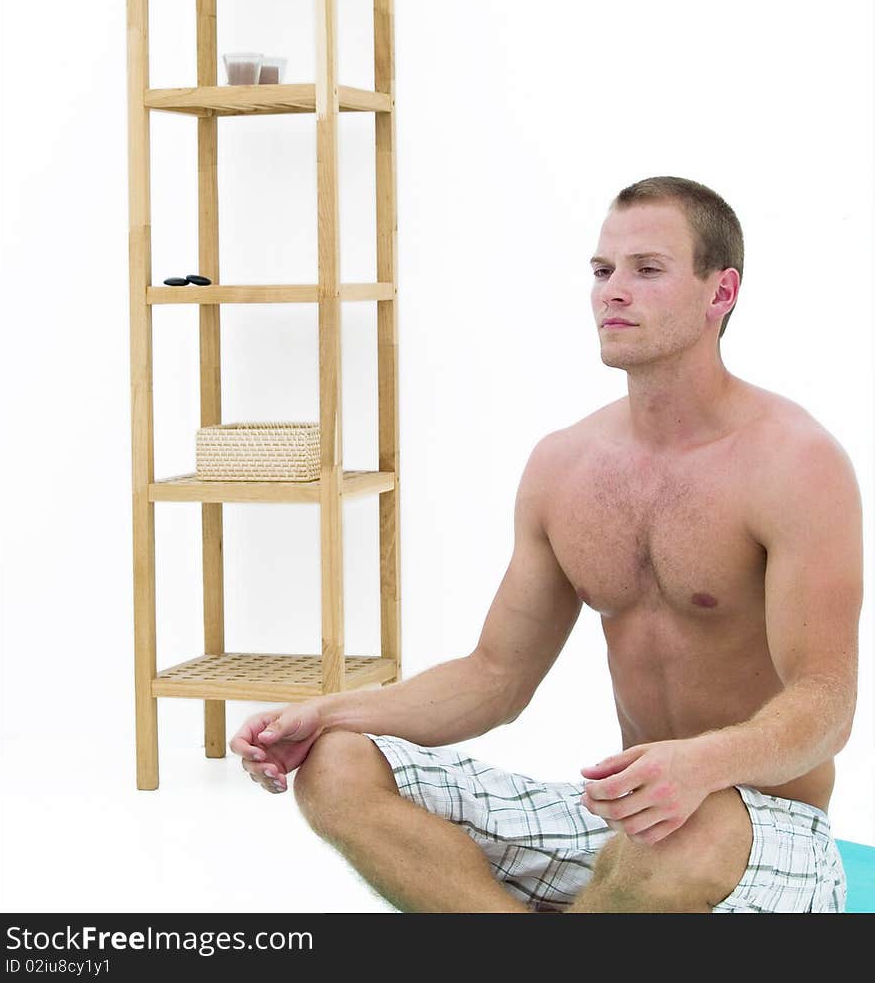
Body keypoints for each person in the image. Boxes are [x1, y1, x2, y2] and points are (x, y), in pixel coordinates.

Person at [229, 175, 863, 914]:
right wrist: (328, 713)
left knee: (673, 834)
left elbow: (826, 704)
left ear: (720, 292)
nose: (612, 292)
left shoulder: (795, 463)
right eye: (602, 270)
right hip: (628, 825)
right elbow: (495, 676)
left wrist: (699, 764)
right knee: (336, 764)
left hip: (765, 836)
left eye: (646, 269)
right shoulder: (565, 466)